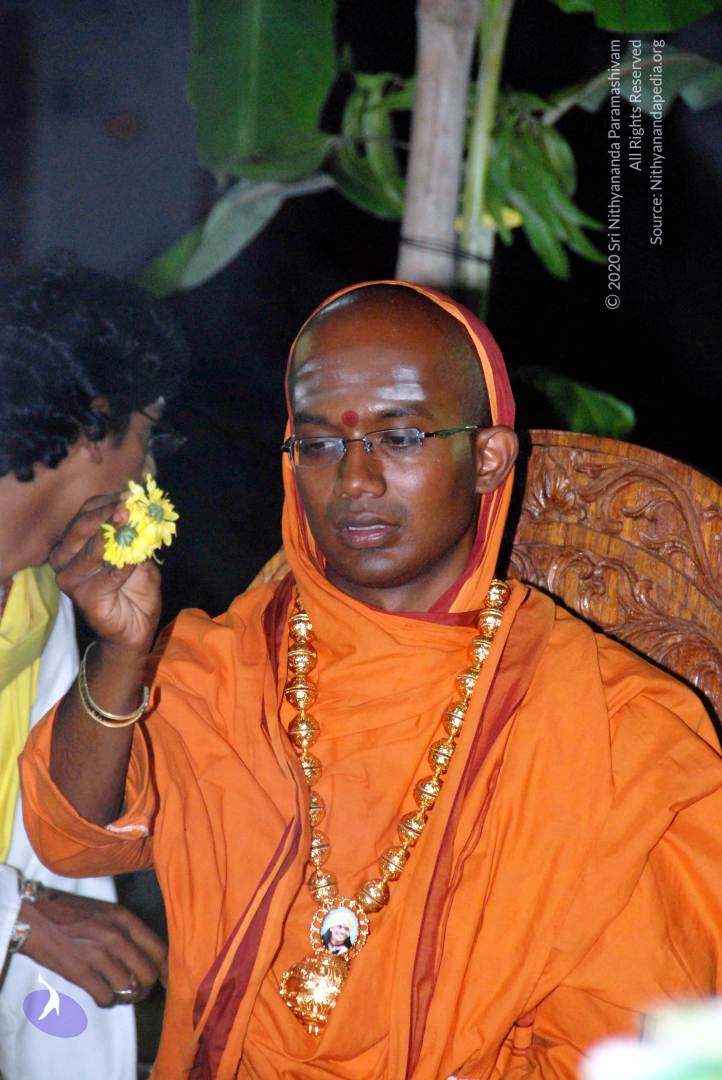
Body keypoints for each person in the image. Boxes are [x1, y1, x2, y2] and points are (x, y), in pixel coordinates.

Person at [20, 281, 722, 1079]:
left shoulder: (622, 728)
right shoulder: (228, 663)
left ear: (487, 458)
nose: (355, 480)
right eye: (319, 445)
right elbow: (73, 836)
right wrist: (119, 654)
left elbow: (623, 1045)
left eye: (401, 437)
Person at [0, 257, 187, 1079]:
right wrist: (20, 919)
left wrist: (122, 649)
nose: (149, 476)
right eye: (148, 436)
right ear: (94, 422)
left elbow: (68, 836)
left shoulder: (38, 588)